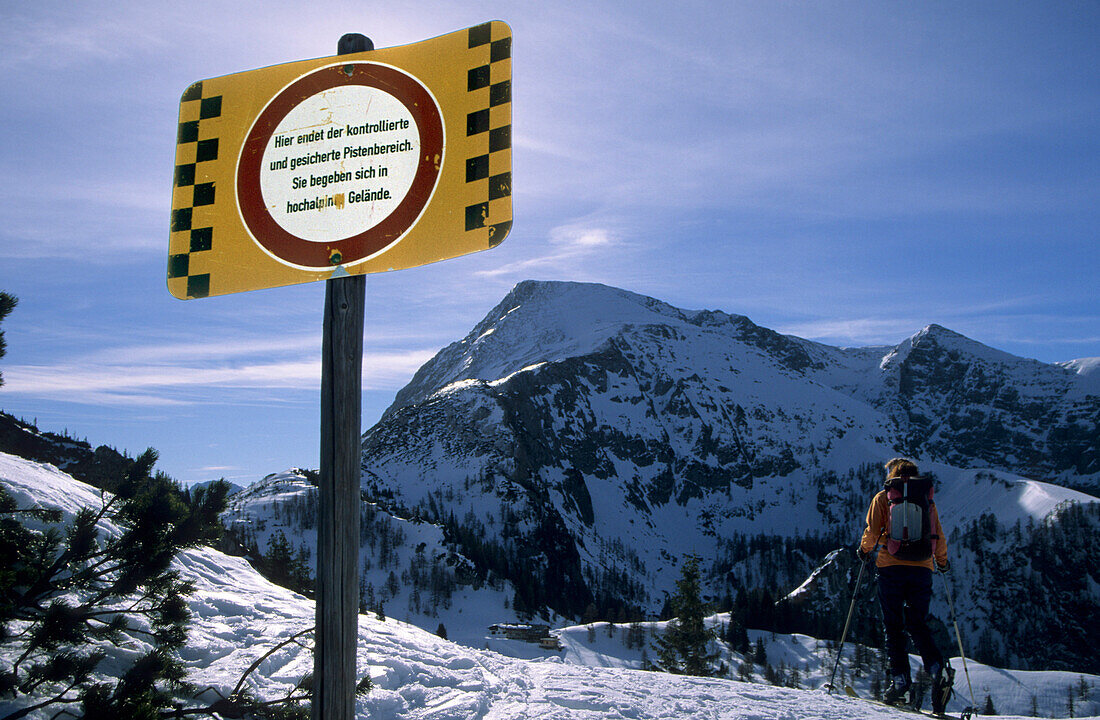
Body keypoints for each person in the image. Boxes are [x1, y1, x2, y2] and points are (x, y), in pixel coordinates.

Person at [859, 458, 953, 714]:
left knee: (893, 624)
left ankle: (900, 681)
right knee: (917, 623)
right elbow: (937, 534)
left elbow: (873, 531)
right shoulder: (926, 499)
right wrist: (942, 562)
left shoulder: (884, 497)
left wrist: (864, 550)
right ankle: (937, 671)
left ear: (893, 475)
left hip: (891, 567)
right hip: (922, 568)